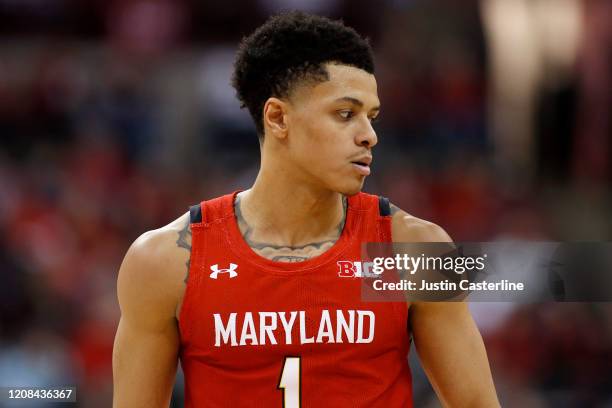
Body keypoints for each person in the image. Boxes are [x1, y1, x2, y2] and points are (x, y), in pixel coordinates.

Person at [112, 11, 499, 408]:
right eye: (345, 114)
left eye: (372, 116)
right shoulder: (167, 260)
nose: (369, 135)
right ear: (278, 118)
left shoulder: (412, 248)